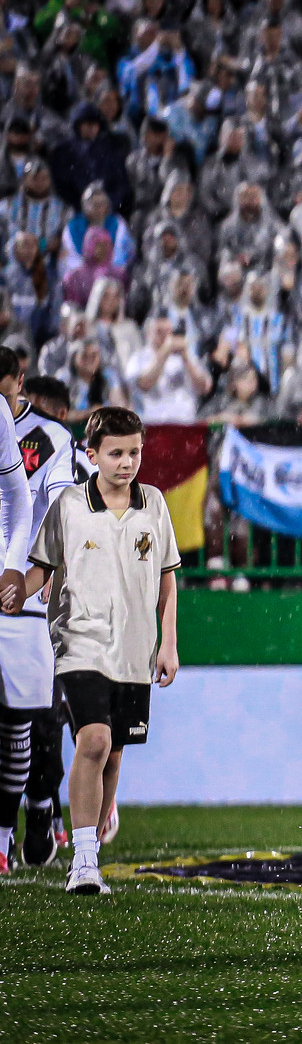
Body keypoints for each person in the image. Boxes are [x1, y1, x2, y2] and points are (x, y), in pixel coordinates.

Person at [21, 407, 179, 895]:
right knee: (92, 739)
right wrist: (16, 589)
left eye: (134, 452)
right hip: (80, 642)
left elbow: (168, 577)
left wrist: (168, 642)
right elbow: (41, 569)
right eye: (116, 453)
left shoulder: (153, 503)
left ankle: (91, 848)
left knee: (113, 753)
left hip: (134, 648)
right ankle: (83, 859)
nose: (128, 462)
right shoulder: (68, 505)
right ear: (92, 456)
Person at [0, 354, 75, 872]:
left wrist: (44, 569)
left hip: (26, 589)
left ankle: (32, 815)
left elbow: (42, 503)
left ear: (19, 383)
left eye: (6, 390)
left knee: (32, 718)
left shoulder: (49, 438)